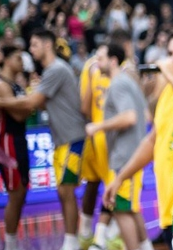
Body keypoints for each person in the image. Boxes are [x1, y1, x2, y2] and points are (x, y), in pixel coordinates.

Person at [103, 26, 173, 248]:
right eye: (169, 54)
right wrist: (121, 177)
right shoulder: (169, 92)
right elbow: (152, 141)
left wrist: (169, 75)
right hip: (170, 207)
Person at [0, 29, 86, 250]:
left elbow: (30, 104)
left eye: (35, 44)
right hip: (61, 138)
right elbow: (34, 104)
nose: (31, 50)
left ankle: (72, 242)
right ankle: (78, 237)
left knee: (66, 190)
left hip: (71, 137)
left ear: (47, 45)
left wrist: (4, 102)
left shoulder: (55, 69)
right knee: (61, 190)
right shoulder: (51, 71)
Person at [84, 44, 152, 250]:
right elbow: (145, 114)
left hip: (126, 156)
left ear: (113, 61)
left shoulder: (118, 84)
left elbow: (130, 117)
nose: (97, 61)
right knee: (131, 208)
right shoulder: (126, 81)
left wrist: (99, 126)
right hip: (131, 153)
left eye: (101, 57)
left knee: (122, 210)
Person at [79, 29, 136, 249]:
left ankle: (85, 232)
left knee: (94, 183)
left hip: (95, 135)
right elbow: (134, 113)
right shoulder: (124, 70)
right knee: (119, 187)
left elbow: (84, 107)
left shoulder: (89, 66)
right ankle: (103, 237)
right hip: (117, 135)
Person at [0, 45, 30, 250]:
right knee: (16, 192)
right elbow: (20, 114)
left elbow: (26, 109)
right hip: (7, 140)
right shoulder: (2, 84)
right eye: (18, 58)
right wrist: (27, 103)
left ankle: (12, 241)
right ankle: (10, 245)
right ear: (8, 60)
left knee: (22, 193)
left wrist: (23, 103)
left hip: (20, 138)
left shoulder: (15, 84)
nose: (22, 62)